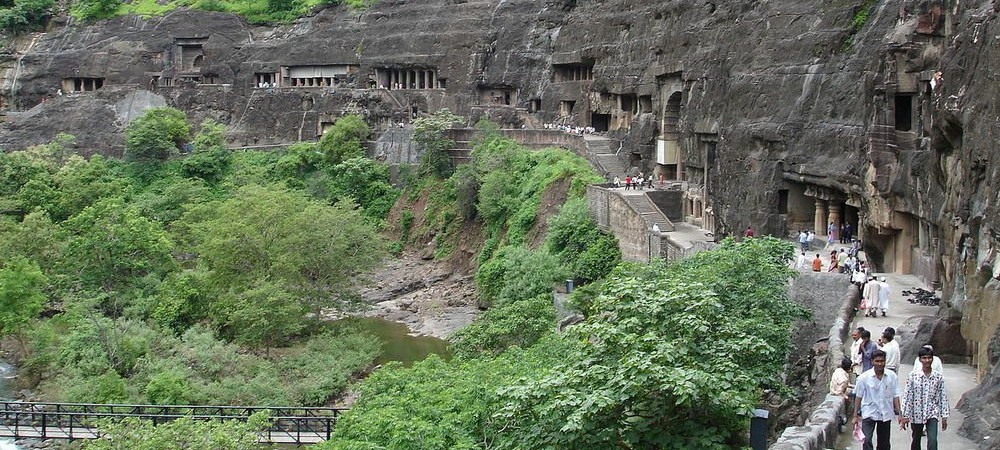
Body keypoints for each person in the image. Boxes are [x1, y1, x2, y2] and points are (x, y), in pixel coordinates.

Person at [901, 346, 949, 450]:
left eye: (929, 358)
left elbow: (942, 396)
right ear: (920, 359)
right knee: (916, 439)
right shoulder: (913, 376)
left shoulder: (938, 377)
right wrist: (905, 415)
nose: (927, 360)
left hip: (932, 412)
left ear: (932, 359)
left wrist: (944, 416)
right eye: (924, 358)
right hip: (916, 413)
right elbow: (907, 395)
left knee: (932, 440)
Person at [854, 350, 903, 450]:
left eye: (882, 361)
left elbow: (896, 395)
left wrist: (900, 414)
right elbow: (858, 397)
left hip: (885, 412)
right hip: (869, 412)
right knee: (866, 440)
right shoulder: (864, 378)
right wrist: (855, 416)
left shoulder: (891, 376)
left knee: (884, 443)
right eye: (877, 361)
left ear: (885, 361)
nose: (880, 364)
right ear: (872, 361)